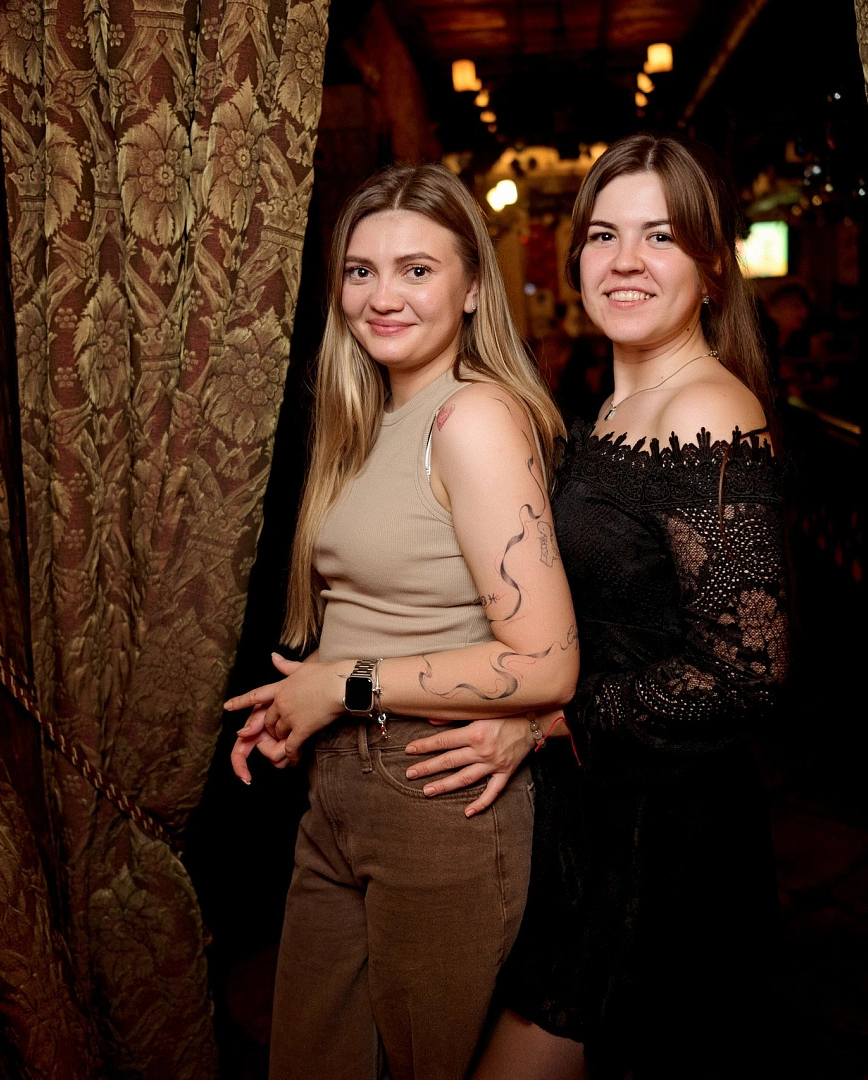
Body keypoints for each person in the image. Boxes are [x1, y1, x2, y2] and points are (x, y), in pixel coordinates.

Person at [224, 163, 578, 1080]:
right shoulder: (371, 417)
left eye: (417, 270)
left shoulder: (472, 418)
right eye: (361, 271)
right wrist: (300, 707)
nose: (383, 297)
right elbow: (384, 604)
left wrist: (338, 688)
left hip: (435, 791)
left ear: (472, 288)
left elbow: (546, 663)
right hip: (341, 787)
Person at [474, 134, 790, 1078]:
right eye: (604, 235)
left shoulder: (707, 412)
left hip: (663, 826)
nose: (624, 261)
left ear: (712, 267)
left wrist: (558, 716)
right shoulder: (612, 409)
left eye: (660, 236)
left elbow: (745, 672)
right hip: (599, 807)